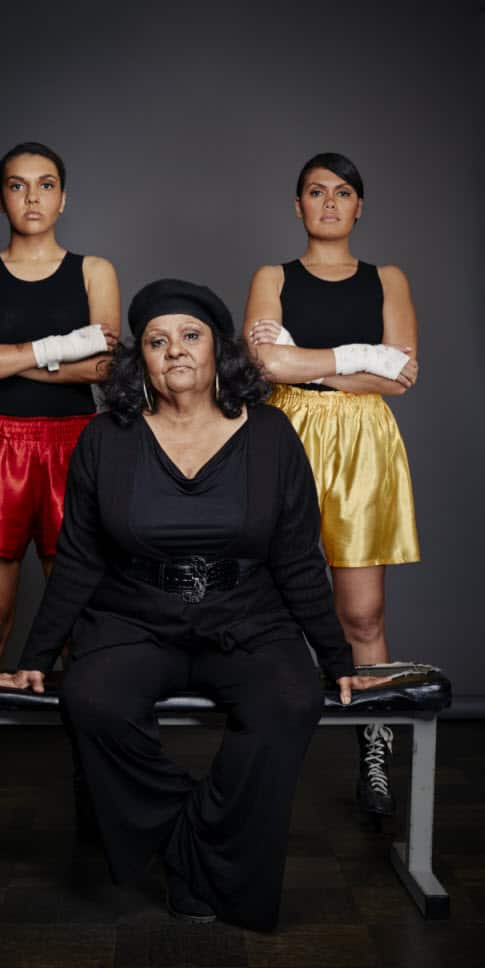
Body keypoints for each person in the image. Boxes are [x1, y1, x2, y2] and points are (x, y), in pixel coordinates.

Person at [0, 279, 387, 932]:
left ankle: (187, 847)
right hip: (135, 619)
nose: (174, 352)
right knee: (92, 700)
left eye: (189, 336)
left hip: (248, 618)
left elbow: (297, 557)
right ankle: (191, 844)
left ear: (216, 350)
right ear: (139, 358)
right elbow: (79, 558)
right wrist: (35, 654)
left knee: (290, 701)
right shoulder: (104, 439)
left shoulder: (271, 435)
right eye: (156, 341)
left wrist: (335, 657)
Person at [0, 141, 120, 844]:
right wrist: (59, 348)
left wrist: (7, 354)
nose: (32, 198)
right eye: (17, 187)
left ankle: (91, 778)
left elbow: (105, 365)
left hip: (78, 449)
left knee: (83, 619)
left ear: (63, 197)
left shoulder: (94, 270)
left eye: (45, 185)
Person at [243, 152, 420, 819]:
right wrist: (355, 360)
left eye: (341, 192)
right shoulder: (271, 275)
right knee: (270, 603)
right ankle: (264, 752)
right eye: (315, 192)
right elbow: (260, 365)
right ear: (297, 205)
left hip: (362, 442)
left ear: (358, 205)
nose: (328, 202)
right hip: (284, 435)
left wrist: (302, 364)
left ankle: (373, 753)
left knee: (362, 613)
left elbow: (400, 374)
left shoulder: (387, 278)